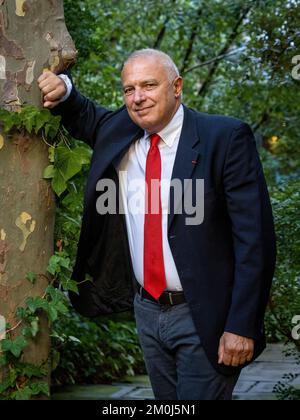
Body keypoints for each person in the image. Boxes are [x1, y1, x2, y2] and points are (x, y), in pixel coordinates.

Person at [38, 49, 276, 400]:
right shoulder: (121, 130)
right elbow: (85, 114)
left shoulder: (224, 138)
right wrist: (64, 89)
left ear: (177, 86)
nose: (138, 98)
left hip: (205, 312)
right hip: (147, 310)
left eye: (149, 85)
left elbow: (255, 240)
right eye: (129, 89)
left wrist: (241, 325)